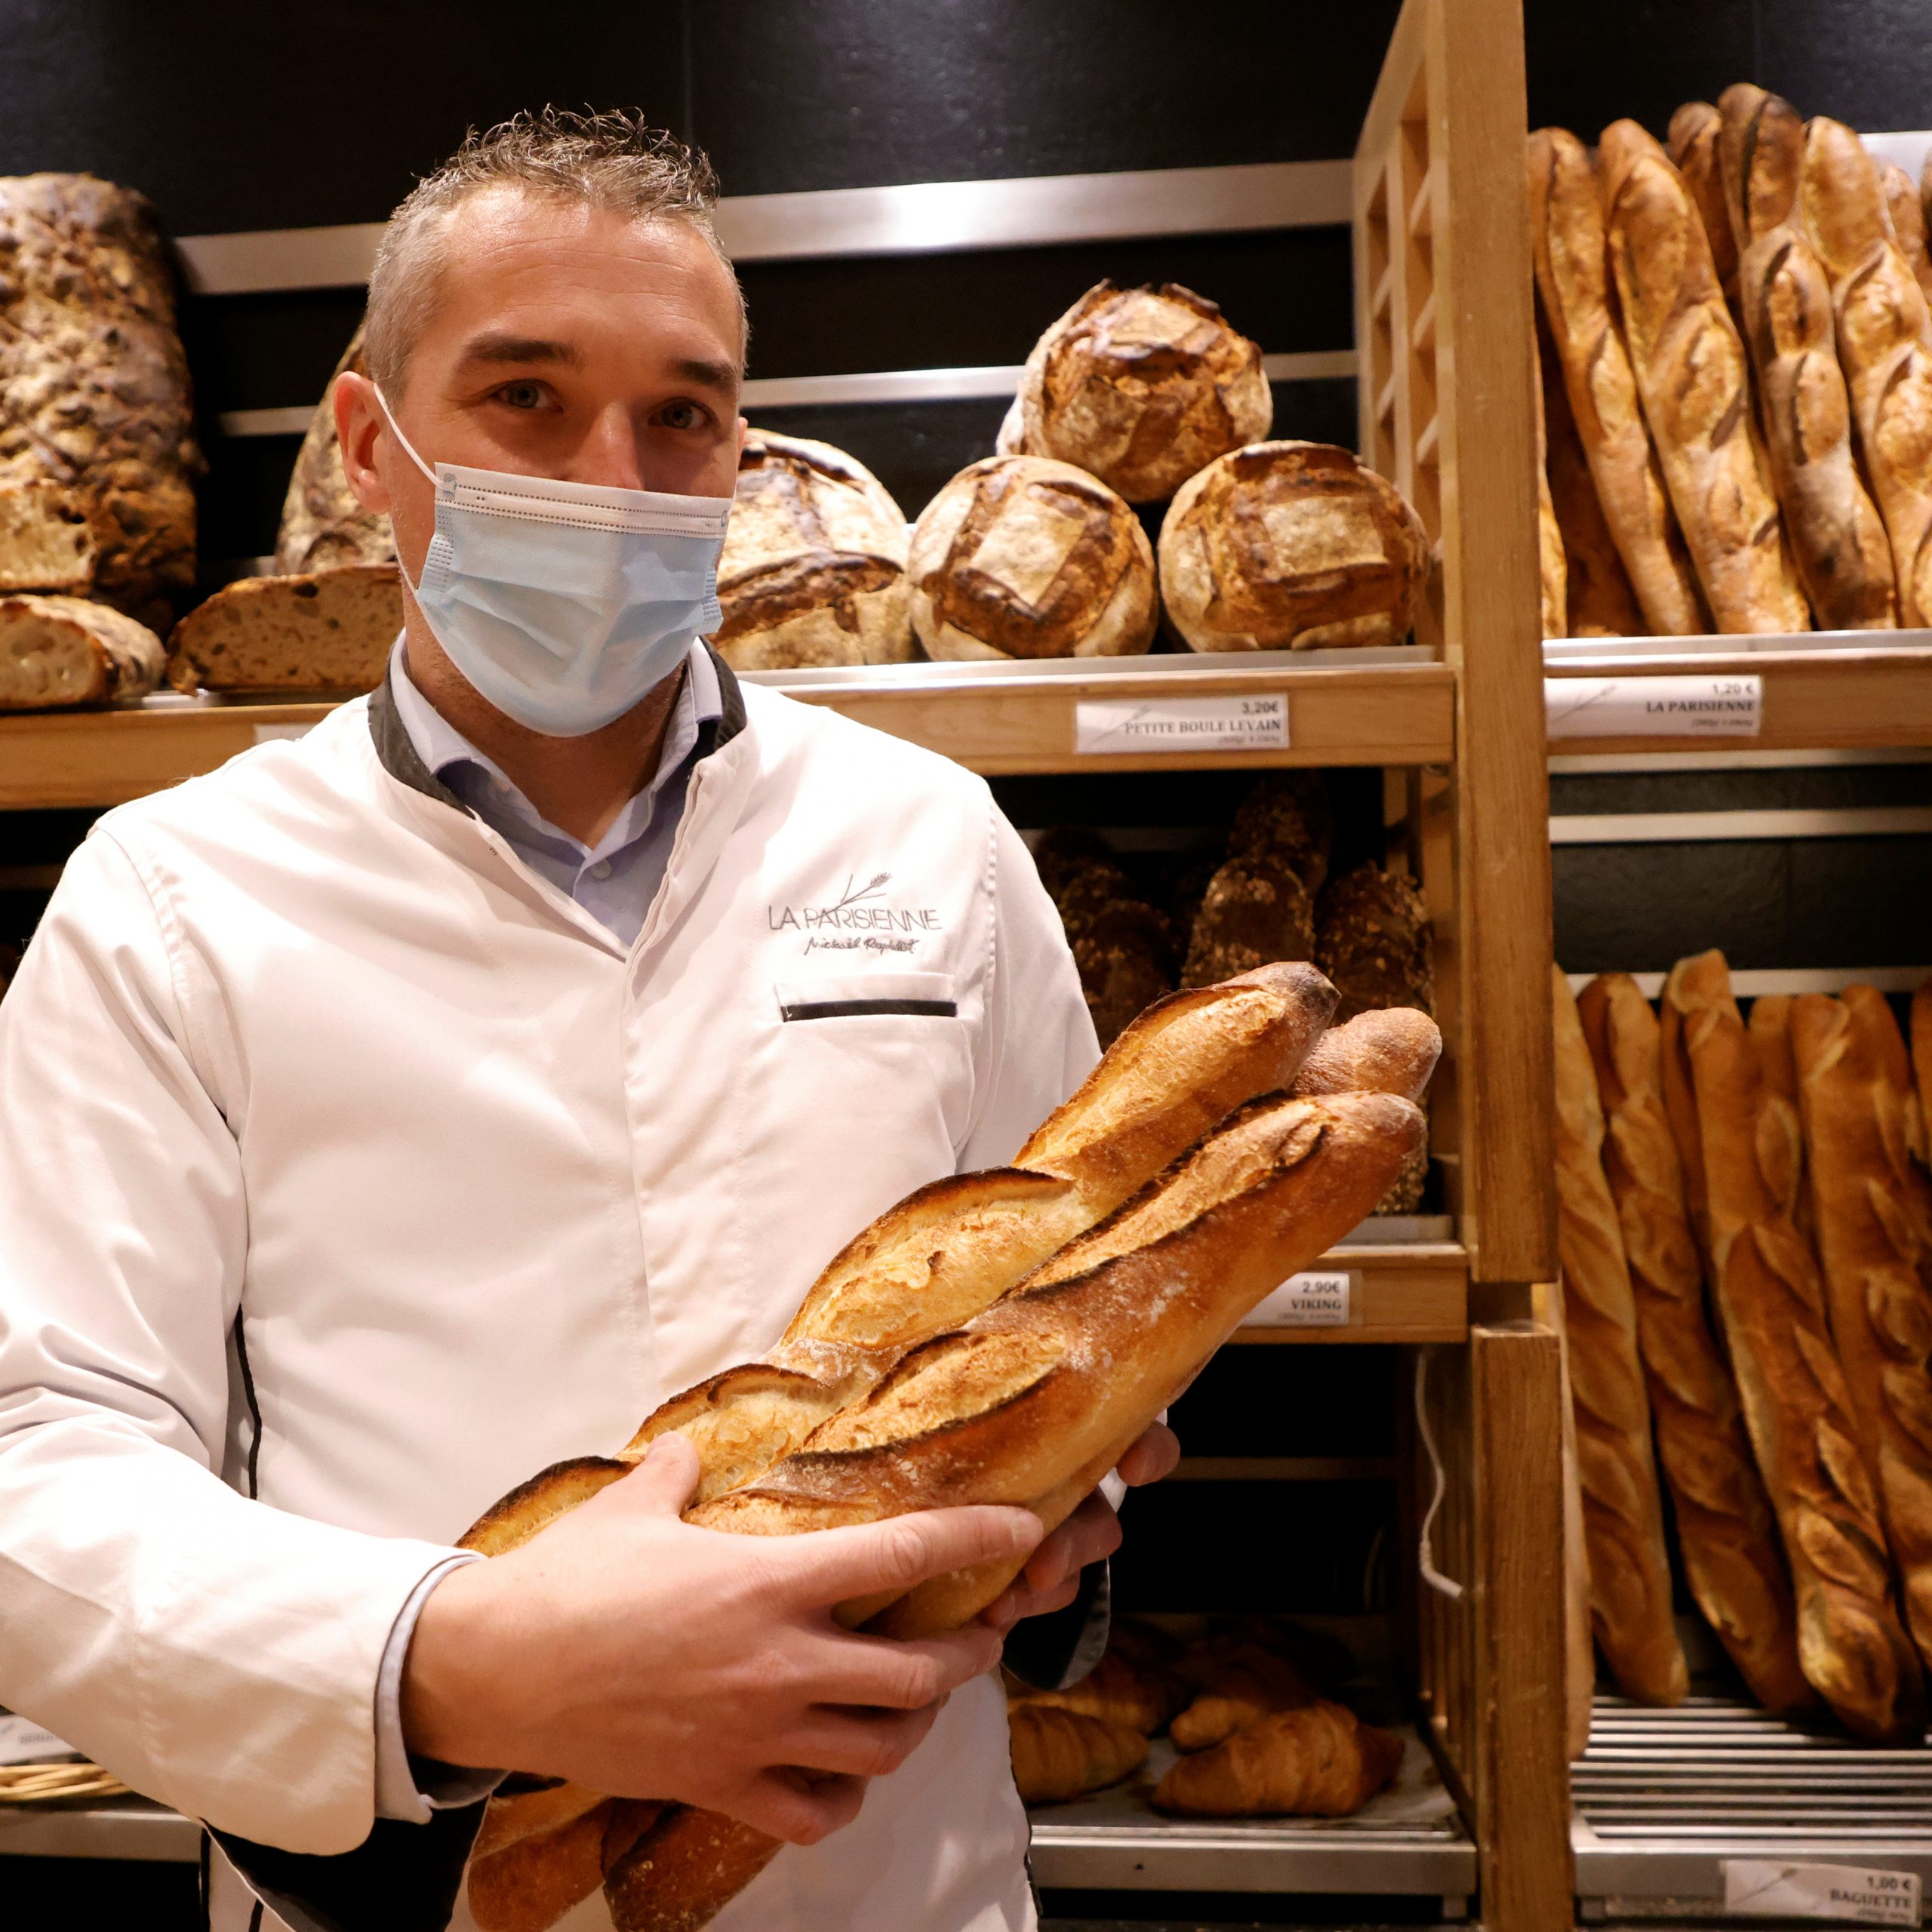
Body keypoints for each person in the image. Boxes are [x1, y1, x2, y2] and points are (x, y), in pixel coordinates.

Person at [0, 109, 1177, 1932]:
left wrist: (1053, 1523)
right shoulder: (175, 893)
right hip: (422, 1889)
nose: (616, 474)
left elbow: (1066, 1293)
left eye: (682, 414)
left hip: (888, 1887)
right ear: (372, 447)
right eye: (527, 399)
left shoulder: (924, 838)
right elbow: (35, 1459)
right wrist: (461, 1663)